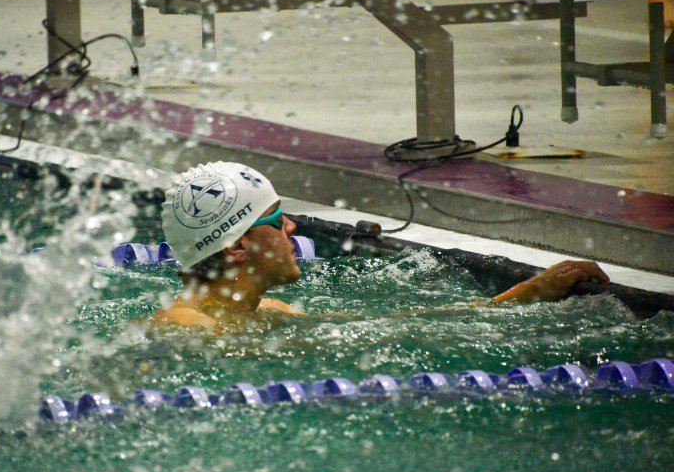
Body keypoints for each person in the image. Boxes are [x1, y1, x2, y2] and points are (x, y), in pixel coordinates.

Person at [151, 161, 609, 330]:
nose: (291, 226)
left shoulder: (271, 312)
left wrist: (521, 295)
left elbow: (392, 325)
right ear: (236, 247)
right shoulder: (181, 324)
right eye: (275, 218)